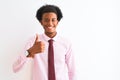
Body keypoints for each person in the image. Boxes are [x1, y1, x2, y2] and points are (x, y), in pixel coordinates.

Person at [13, 4, 76, 80]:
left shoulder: (66, 43)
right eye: (46, 20)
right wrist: (29, 52)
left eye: (53, 20)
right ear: (41, 22)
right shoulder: (33, 41)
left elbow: (72, 71)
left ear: (57, 21)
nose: (50, 23)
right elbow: (15, 68)